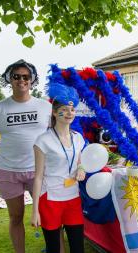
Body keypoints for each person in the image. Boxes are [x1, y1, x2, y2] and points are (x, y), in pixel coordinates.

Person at [0, 60, 52, 253]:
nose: (21, 80)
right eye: (16, 76)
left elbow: (55, 135)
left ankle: (54, 249)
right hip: (8, 171)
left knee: (47, 215)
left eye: (26, 76)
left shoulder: (45, 107)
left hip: (39, 170)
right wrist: (4, 144)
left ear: (32, 80)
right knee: (16, 217)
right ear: (9, 79)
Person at [31, 83, 86, 253]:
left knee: (78, 248)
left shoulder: (78, 139)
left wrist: (81, 169)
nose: (70, 113)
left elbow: (78, 162)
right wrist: (35, 211)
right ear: (54, 112)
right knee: (54, 249)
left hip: (73, 199)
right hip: (50, 200)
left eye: (72, 109)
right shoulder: (43, 140)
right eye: (64, 109)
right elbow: (38, 177)